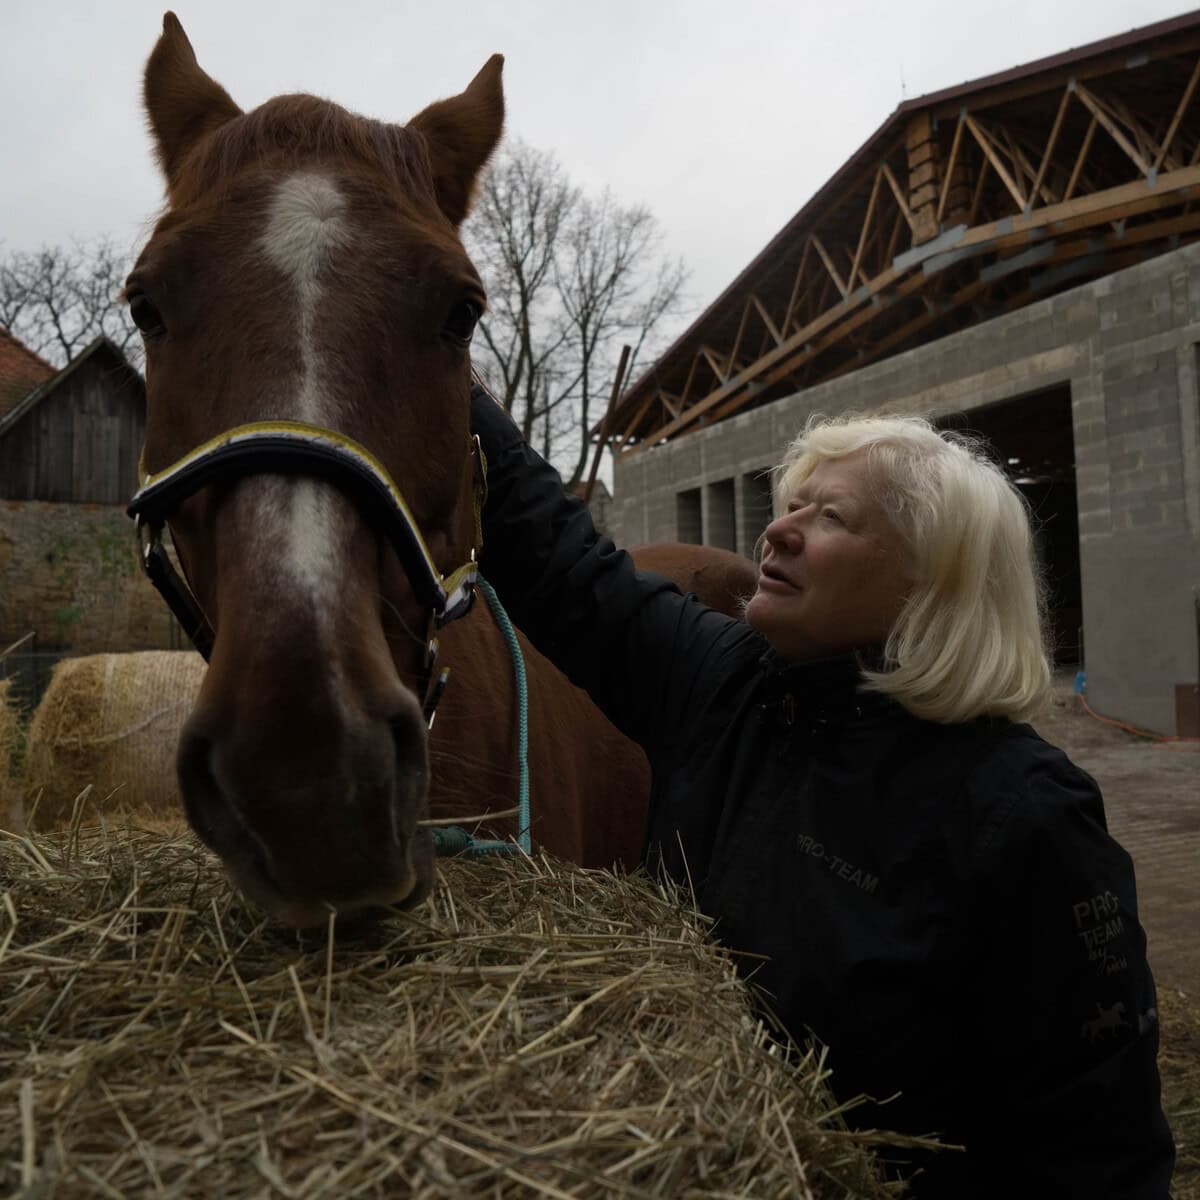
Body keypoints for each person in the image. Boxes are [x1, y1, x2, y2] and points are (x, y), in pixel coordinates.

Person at [468, 378, 1175, 1198]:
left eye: (829, 516)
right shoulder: (723, 688)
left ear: (929, 579)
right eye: (790, 505)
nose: (778, 529)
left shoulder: (1028, 818)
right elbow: (565, 565)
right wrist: (450, 369)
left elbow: (1097, 1148)